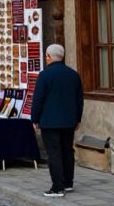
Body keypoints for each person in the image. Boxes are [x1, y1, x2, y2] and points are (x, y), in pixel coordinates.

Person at [31, 44, 84, 198]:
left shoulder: (45, 75)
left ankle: (57, 187)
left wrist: (35, 118)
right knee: (67, 151)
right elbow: (79, 100)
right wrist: (78, 119)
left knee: (54, 153)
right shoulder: (73, 75)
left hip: (50, 121)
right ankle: (68, 183)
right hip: (69, 121)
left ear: (48, 56)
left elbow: (38, 99)